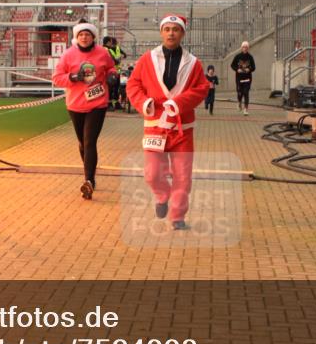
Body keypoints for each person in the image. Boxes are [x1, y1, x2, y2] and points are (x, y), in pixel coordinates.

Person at [126, 14, 210, 231]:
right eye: (167, 29)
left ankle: (177, 216)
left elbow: (202, 89)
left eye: (175, 29)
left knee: (183, 175)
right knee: (152, 173)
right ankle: (162, 195)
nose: (171, 33)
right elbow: (133, 85)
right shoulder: (147, 59)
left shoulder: (194, 63)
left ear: (182, 33)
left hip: (183, 129)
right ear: (161, 32)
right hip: (155, 126)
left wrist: (179, 103)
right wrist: (144, 103)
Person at [52, 21, 117, 200]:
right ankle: (89, 172)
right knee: (82, 143)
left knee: (89, 142)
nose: (84, 37)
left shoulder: (102, 53)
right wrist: (73, 77)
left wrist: (112, 75)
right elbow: (57, 78)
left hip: (97, 103)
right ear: (76, 37)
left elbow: (111, 67)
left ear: (93, 37)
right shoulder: (68, 55)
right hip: (75, 104)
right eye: (81, 35)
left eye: (87, 34)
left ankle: (89, 180)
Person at [231, 41, 256, 116]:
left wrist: (249, 69)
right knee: (239, 92)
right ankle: (239, 102)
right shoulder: (238, 56)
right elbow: (232, 65)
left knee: (246, 93)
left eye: (246, 47)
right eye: (243, 47)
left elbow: (254, 67)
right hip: (239, 78)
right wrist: (237, 69)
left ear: (248, 48)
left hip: (247, 78)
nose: (245, 49)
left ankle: (246, 109)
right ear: (241, 48)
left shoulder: (250, 57)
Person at [103, 35, 127, 111]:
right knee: (110, 89)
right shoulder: (105, 49)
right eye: (110, 42)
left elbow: (123, 55)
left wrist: (119, 59)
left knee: (116, 88)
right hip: (109, 73)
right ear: (108, 42)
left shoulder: (114, 48)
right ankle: (108, 104)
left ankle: (116, 103)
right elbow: (113, 60)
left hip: (116, 71)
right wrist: (117, 60)